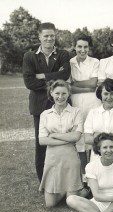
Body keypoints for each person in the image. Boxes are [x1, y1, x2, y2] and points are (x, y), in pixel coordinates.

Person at [22, 22, 70, 182]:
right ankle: (44, 181)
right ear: (39, 37)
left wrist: (42, 75)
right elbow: (29, 82)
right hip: (39, 107)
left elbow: (66, 74)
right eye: (46, 36)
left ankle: (62, 179)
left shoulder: (63, 54)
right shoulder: (30, 56)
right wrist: (55, 77)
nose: (49, 39)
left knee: (62, 141)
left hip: (60, 105)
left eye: (52, 36)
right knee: (41, 144)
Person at [38, 80, 84, 207]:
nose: (60, 97)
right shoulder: (45, 114)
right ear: (51, 93)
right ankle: (66, 191)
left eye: (64, 93)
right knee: (50, 204)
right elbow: (42, 140)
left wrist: (54, 135)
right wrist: (67, 138)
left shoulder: (76, 112)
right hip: (52, 157)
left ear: (69, 94)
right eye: (57, 93)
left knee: (71, 203)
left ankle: (74, 190)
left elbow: (76, 136)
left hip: (70, 157)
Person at [69, 34, 100, 179]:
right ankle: (83, 177)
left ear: (89, 47)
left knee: (93, 137)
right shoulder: (70, 62)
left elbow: (94, 83)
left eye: (85, 47)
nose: (82, 50)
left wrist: (76, 83)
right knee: (80, 140)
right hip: (76, 104)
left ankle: (96, 174)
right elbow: (69, 87)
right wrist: (86, 86)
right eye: (79, 46)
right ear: (74, 47)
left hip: (93, 104)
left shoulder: (95, 62)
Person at [84, 78, 113, 164]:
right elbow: (87, 139)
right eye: (105, 93)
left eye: (112, 94)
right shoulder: (93, 112)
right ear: (100, 95)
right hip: (97, 159)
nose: (109, 97)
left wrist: (98, 136)